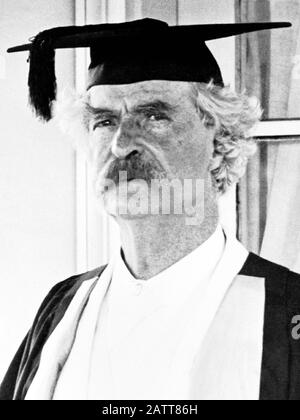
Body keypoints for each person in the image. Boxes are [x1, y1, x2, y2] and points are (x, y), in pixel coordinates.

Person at [1, 18, 299, 401]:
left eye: (154, 116)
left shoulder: (286, 313)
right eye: (105, 121)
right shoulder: (63, 306)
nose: (122, 145)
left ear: (218, 138)